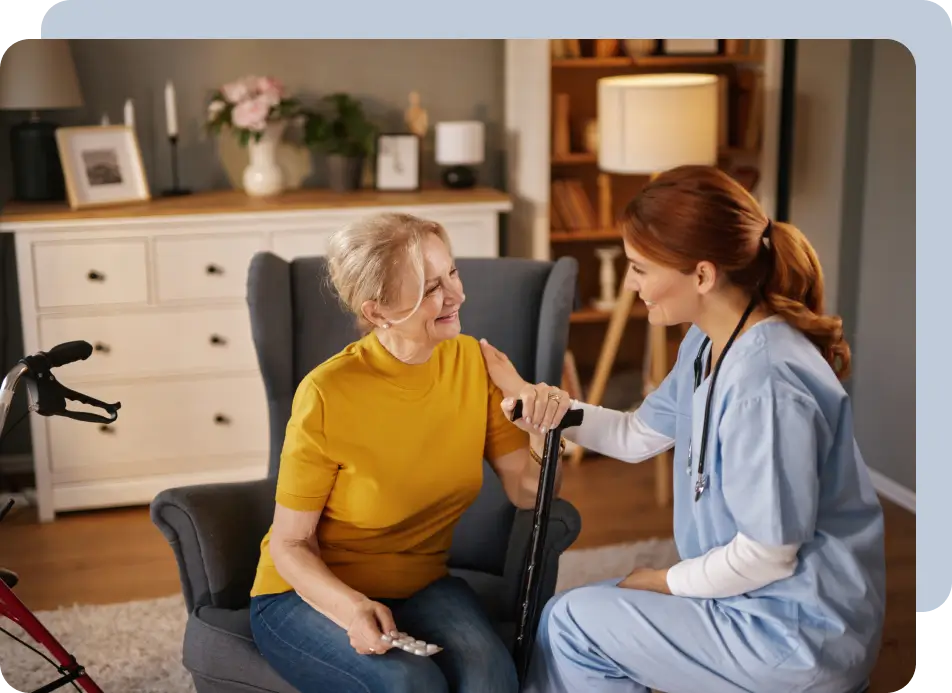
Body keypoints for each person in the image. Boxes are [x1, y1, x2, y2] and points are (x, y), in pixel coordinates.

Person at [478, 165, 886, 693]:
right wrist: (534, 403)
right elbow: (634, 435)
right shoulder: (706, 342)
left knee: (573, 626)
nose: (631, 284)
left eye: (640, 268)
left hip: (798, 634)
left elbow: (769, 551)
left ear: (702, 275)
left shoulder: (767, 381)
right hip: (754, 604)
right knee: (571, 617)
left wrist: (664, 581)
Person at [248, 212, 562, 693]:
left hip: (421, 583)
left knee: (491, 678)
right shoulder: (328, 392)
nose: (455, 295)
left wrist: (541, 429)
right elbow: (290, 545)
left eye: (452, 273)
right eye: (429, 288)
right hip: (305, 594)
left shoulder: (473, 365)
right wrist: (351, 608)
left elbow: (528, 493)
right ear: (377, 312)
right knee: (409, 684)